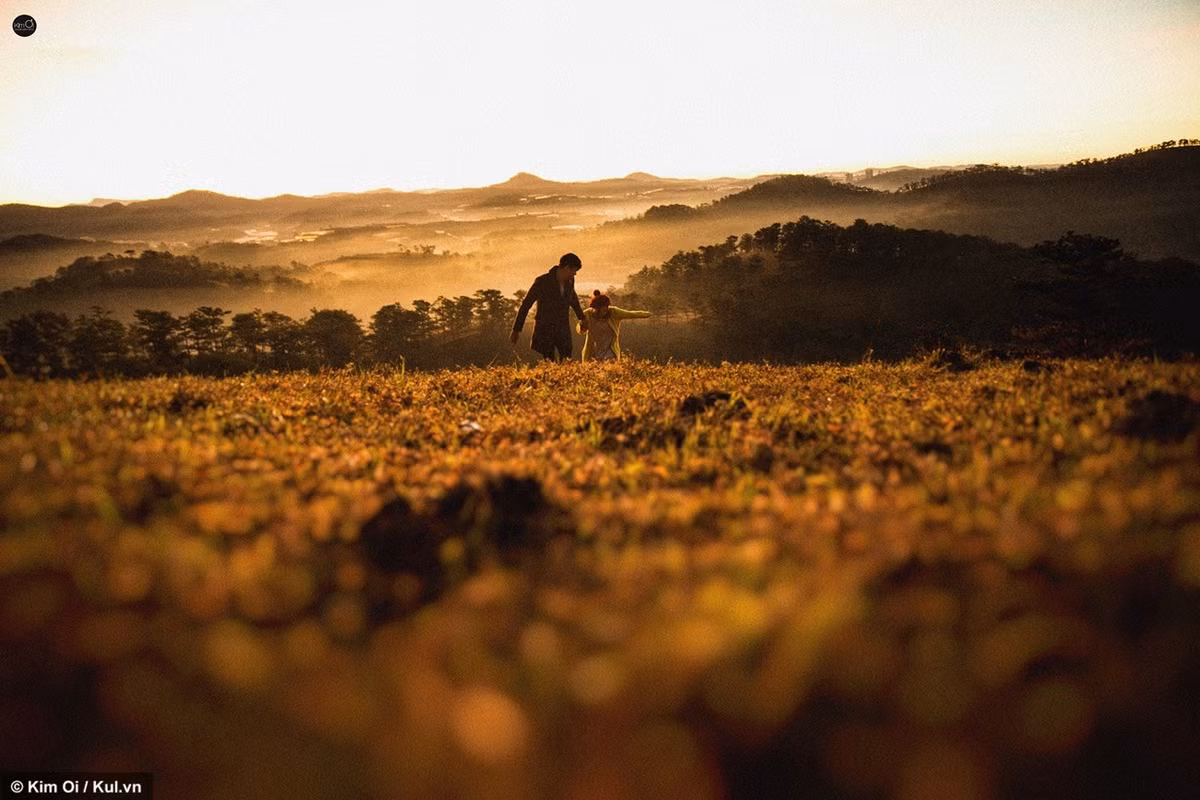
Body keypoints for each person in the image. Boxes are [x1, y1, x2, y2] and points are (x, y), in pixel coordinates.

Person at [510, 253, 586, 361]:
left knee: (567, 359)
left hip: (562, 327)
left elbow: (573, 299)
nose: (574, 274)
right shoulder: (542, 281)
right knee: (549, 361)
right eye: (574, 271)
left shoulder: (570, 281)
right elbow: (526, 304)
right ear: (566, 267)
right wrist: (516, 329)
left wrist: (581, 318)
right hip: (545, 329)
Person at [577, 290, 651, 362]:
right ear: (595, 308)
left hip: (610, 351)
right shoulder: (587, 314)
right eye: (601, 309)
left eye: (606, 308)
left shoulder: (614, 312)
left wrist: (648, 314)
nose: (604, 311)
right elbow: (581, 331)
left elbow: (631, 314)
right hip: (593, 351)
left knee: (610, 366)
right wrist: (582, 325)